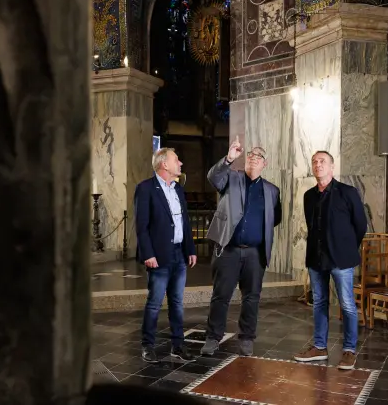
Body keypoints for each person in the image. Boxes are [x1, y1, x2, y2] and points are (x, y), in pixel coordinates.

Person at [201, 137, 281, 357]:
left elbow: (275, 218)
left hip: (255, 253)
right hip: (229, 250)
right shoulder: (231, 178)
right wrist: (228, 158)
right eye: (250, 155)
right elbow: (212, 177)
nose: (254, 158)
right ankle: (212, 337)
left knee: (252, 297)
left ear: (265, 164)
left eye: (259, 156)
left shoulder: (272, 191)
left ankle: (246, 338)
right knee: (221, 295)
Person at [294, 151, 367, 370]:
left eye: (322, 161)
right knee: (319, 302)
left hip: (341, 259)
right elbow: (312, 226)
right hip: (316, 258)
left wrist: (346, 249)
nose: (318, 165)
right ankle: (319, 347)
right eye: (315, 162)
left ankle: (349, 350)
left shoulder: (348, 192)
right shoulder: (309, 196)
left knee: (346, 304)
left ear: (332, 167)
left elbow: (361, 226)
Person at [135, 148, 197, 363]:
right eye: (176, 160)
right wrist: (148, 254)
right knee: (154, 303)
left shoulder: (178, 189)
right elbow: (141, 226)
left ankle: (178, 346)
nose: (180, 163)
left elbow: (185, 222)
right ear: (164, 165)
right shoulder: (145, 189)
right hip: (158, 256)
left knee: (177, 303)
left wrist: (191, 249)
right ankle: (147, 346)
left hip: (179, 254)